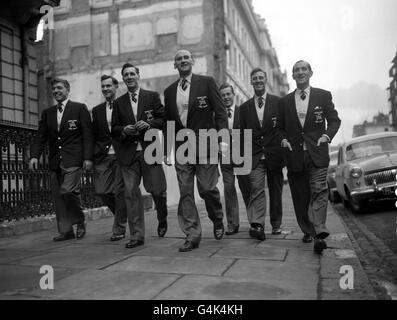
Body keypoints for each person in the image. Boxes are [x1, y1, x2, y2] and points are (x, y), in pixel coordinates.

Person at [163, 49, 228, 252]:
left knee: (207, 188)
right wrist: (166, 150)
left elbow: (220, 112)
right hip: (182, 146)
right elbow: (169, 123)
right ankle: (192, 234)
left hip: (206, 142)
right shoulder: (169, 91)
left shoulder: (206, 82)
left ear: (193, 61)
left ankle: (217, 218)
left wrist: (223, 140)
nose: (183, 61)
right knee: (185, 193)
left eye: (186, 57)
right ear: (175, 65)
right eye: (178, 59)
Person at [276, 60, 341, 253]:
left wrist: (327, 135)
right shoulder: (285, 102)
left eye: (304, 69)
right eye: (296, 70)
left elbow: (335, 121)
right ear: (293, 76)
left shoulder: (323, 96)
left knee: (320, 190)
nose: (300, 72)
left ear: (310, 73)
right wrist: (283, 140)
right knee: (300, 197)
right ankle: (308, 229)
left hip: (317, 153)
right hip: (295, 155)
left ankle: (319, 232)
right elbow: (279, 128)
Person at [112, 63, 168, 249]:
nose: (129, 77)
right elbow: (114, 129)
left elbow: (163, 119)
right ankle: (137, 235)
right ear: (123, 78)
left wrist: (150, 124)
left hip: (150, 149)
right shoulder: (119, 103)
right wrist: (124, 130)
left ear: (138, 76)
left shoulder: (151, 97)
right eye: (125, 75)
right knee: (131, 194)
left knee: (157, 190)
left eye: (132, 74)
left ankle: (162, 215)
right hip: (128, 154)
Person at [30, 78, 93, 241]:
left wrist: (87, 158)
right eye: (53, 89)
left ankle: (79, 221)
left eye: (59, 88)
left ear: (67, 89)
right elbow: (40, 137)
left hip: (74, 159)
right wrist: (34, 156)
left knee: (68, 190)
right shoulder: (48, 113)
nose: (56, 91)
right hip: (55, 161)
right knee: (59, 197)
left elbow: (87, 134)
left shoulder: (79, 108)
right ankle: (66, 231)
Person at [239, 68, 285, 241]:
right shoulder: (244, 108)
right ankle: (258, 224)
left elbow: (282, 128)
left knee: (275, 191)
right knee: (257, 189)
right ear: (251, 82)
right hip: (255, 156)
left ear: (265, 80)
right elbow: (242, 134)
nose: (258, 80)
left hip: (275, 154)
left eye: (260, 78)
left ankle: (276, 224)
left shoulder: (278, 103)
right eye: (254, 78)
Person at [92, 75, 127, 242]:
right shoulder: (97, 110)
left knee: (120, 192)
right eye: (103, 86)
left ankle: (119, 227)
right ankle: (123, 214)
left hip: (122, 154)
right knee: (102, 191)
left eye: (108, 86)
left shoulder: (124, 105)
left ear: (115, 87)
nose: (105, 89)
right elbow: (94, 134)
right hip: (104, 156)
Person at [219, 83, 251, 235]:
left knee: (246, 187)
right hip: (224, 156)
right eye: (223, 95)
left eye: (228, 94)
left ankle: (254, 221)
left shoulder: (242, 111)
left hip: (241, 154)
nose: (226, 97)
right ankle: (232, 224)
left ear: (233, 95)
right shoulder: (217, 115)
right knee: (229, 189)